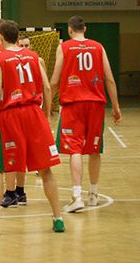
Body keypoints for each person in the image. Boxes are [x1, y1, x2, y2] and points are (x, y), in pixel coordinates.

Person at [0, 20, 64, 235]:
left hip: (11, 115)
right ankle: (58, 219)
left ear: (1, 38)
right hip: (34, 113)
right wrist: (46, 113)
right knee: (46, 169)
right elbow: (47, 87)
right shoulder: (34, 57)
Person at [50, 16, 122, 213]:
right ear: (85, 29)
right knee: (94, 149)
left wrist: (47, 103)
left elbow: (55, 80)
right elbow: (109, 78)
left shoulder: (64, 47)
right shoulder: (98, 47)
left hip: (73, 103)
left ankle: (76, 196)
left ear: (70, 30)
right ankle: (93, 194)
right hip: (96, 104)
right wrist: (115, 107)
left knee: (75, 150)